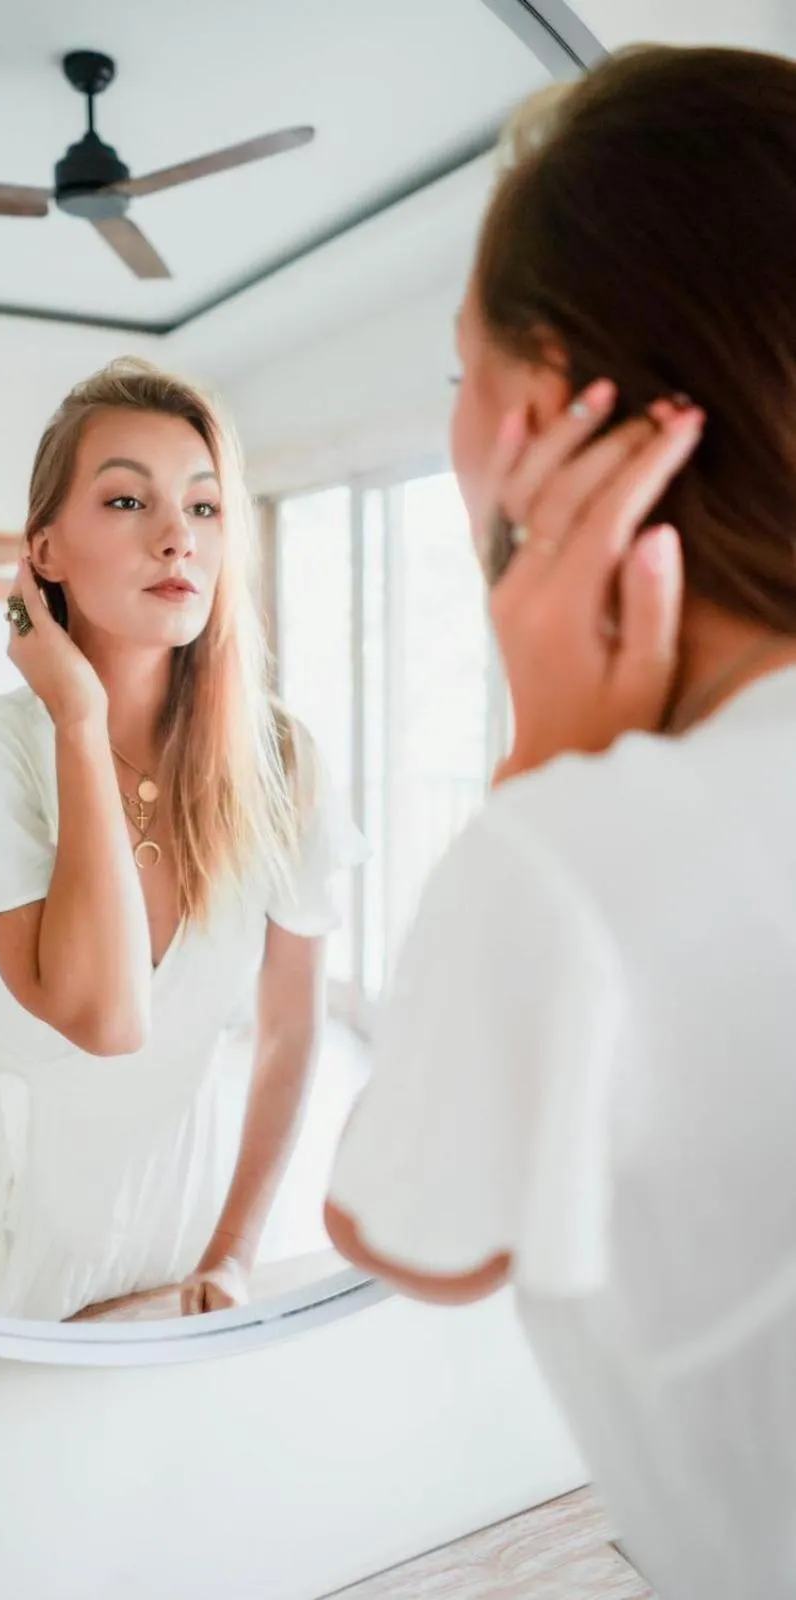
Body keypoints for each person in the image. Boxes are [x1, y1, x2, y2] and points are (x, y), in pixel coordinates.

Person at [326, 44, 796, 1600]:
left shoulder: (569, 859)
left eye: (458, 372)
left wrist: (545, 760)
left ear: (536, 407)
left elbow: (414, 1233)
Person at [0, 358, 364, 1321]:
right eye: (128, 500)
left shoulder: (283, 760)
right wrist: (79, 721)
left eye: (205, 507)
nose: (178, 536)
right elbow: (106, 1020)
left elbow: (289, 1031)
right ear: (44, 551)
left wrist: (234, 1248)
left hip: (177, 1201)